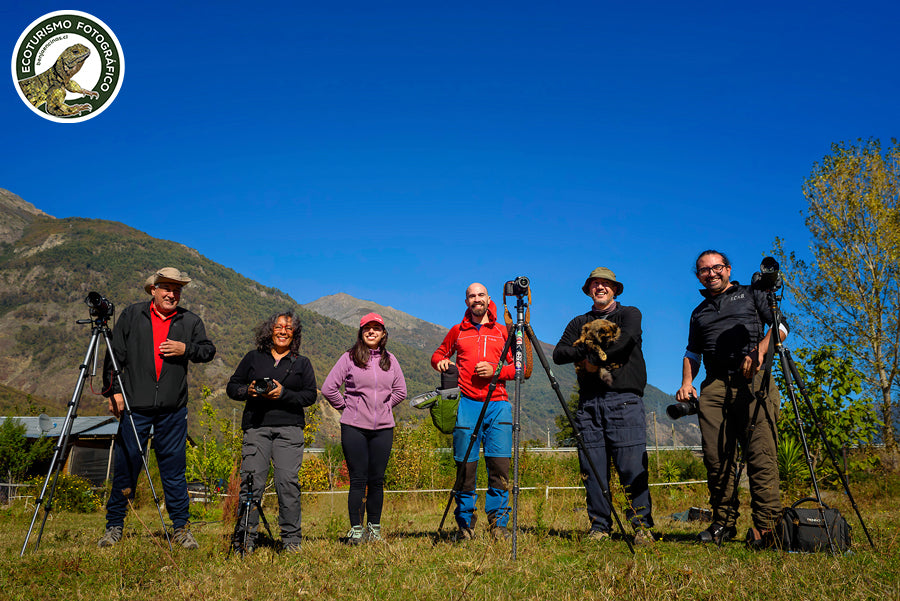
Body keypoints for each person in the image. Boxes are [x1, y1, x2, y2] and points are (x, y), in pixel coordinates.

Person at [676, 250, 788, 548]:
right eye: (703, 270)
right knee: (716, 458)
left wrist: (760, 350)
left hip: (753, 380)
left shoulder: (752, 294)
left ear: (728, 269)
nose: (711, 273)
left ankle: (767, 528)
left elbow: (781, 327)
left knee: (760, 455)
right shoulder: (698, 312)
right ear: (698, 275)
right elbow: (692, 352)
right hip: (713, 386)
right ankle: (723, 523)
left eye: (717, 267)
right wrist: (687, 382)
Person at [99, 267, 216, 548]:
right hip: (134, 406)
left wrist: (185, 349)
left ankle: (180, 529)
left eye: (177, 289)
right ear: (153, 289)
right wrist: (113, 391)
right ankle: (114, 526)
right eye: (166, 288)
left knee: (174, 470)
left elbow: (208, 350)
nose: (171, 293)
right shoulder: (132, 315)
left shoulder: (189, 320)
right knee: (126, 466)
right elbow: (114, 355)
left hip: (173, 409)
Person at [553, 267, 655, 545]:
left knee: (632, 466)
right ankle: (599, 526)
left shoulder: (629, 314)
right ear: (588, 290)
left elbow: (625, 343)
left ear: (615, 289)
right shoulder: (579, 321)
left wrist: (592, 359)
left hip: (624, 400)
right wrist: (587, 353)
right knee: (592, 468)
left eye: (605, 284)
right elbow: (559, 353)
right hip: (589, 404)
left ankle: (641, 527)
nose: (600, 288)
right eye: (595, 284)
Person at [226, 310, 317, 553]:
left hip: (289, 429)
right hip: (256, 427)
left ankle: (291, 541)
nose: (283, 331)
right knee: (251, 483)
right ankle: (244, 541)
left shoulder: (302, 362)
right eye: (279, 327)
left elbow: (310, 396)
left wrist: (283, 393)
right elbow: (232, 387)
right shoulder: (253, 358)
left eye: (288, 328)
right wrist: (250, 391)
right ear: (270, 330)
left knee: (287, 483)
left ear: (294, 334)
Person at [431, 283, 515, 540]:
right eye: (471, 296)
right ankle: (465, 524)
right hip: (466, 403)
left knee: (499, 467)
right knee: (465, 467)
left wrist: (496, 372)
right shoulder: (458, 331)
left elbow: (518, 369)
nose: (476, 299)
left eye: (480, 295)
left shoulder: (503, 332)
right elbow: (437, 355)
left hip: (498, 404)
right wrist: (441, 362)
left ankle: (498, 524)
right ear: (466, 301)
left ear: (488, 299)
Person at [322, 312, 407, 545]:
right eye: (367, 328)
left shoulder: (390, 360)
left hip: (384, 429)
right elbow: (329, 388)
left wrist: (385, 407)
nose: (371, 331)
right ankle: (357, 531)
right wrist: (348, 408)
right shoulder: (349, 358)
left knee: (377, 479)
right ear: (361, 332)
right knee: (358, 479)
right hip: (354, 428)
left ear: (383, 333)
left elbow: (401, 391)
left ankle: (375, 530)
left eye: (376, 328)